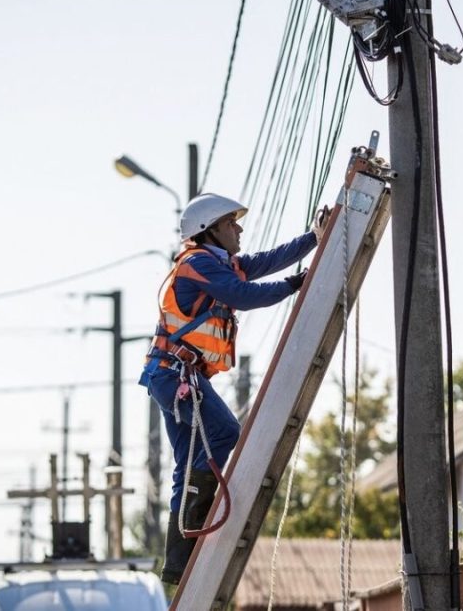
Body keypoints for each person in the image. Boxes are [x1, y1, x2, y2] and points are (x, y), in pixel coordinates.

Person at [139, 193, 330, 585]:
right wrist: (298, 282)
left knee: (189, 464)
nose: (239, 228)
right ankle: (196, 525)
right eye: (231, 223)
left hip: (170, 375)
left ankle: (179, 558)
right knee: (224, 434)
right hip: (175, 376)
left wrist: (313, 237)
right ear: (209, 231)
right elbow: (244, 296)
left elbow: (264, 261)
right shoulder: (197, 265)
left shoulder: (217, 263)